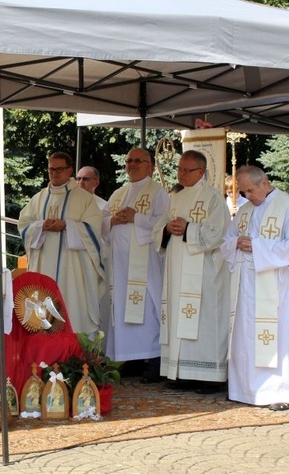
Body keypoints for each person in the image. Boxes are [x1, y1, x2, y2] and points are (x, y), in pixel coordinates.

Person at [152, 150, 231, 394]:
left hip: (205, 272)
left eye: (187, 170)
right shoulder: (175, 198)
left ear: (201, 172)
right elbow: (159, 228)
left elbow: (218, 233)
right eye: (180, 170)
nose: (181, 174)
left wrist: (188, 228)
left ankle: (209, 376)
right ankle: (181, 372)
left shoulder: (214, 198)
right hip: (177, 269)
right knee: (178, 315)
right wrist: (167, 228)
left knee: (204, 319)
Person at [221, 166, 289, 411]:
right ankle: (245, 389)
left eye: (250, 190)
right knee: (245, 335)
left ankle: (281, 391)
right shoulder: (244, 211)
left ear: (264, 182)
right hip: (244, 285)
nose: (247, 196)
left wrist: (258, 246)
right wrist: (236, 243)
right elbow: (225, 241)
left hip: (273, 285)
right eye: (244, 191)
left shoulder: (288, 207)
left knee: (275, 337)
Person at [18, 151, 104, 335]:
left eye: (59, 169)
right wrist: (41, 226)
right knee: (43, 316)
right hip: (43, 266)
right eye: (51, 170)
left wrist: (67, 226)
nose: (54, 173)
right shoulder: (38, 198)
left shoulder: (84, 198)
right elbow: (24, 225)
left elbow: (94, 229)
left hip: (71, 269)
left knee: (71, 310)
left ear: (69, 170)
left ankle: (73, 357)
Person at [102, 148, 169, 382]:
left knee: (147, 309)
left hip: (145, 262)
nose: (132, 165)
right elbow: (100, 223)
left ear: (149, 166)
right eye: (128, 160)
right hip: (119, 264)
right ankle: (130, 358)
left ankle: (153, 360)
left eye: (137, 161)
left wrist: (136, 218)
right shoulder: (118, 193)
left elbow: (165, 224)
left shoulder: (158, 192)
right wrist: (112, 220)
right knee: (121, 309)